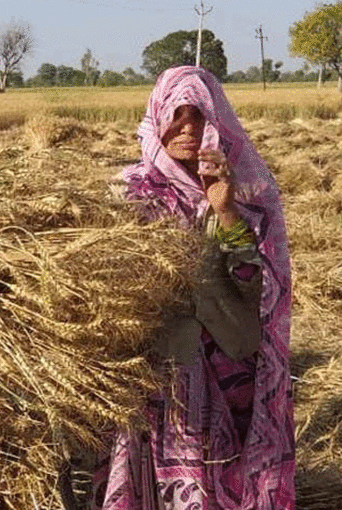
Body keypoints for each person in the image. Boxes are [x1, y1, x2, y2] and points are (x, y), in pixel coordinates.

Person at [92, 66, 294, 510]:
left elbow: (258, 284)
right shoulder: (127, 195)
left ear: (215, 123)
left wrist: (224, 210)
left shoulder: (245, 192)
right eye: (176, 116)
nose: (187, 129)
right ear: (157, 117)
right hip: (156, 372)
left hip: (227, 369)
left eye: (199, 116)